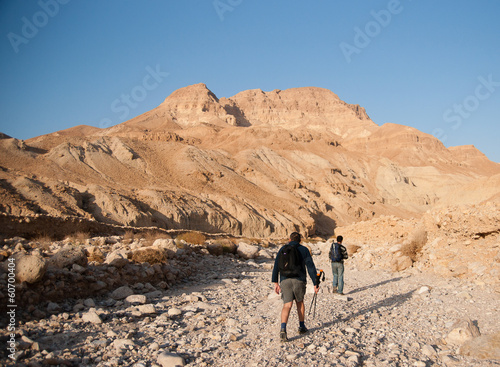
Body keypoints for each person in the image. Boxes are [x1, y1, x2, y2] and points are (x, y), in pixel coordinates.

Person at [272, 232, 319, 342]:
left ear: (289, 239)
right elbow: (310, 267)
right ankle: (301, 327)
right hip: (299, 280)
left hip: (285, 280)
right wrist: (315, 283)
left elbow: (276, 265)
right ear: (300, 240)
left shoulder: (283, 249)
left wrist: (275, 282)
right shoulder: (304, 250)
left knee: (287, 305)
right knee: (300, 302)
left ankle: (283, 329)